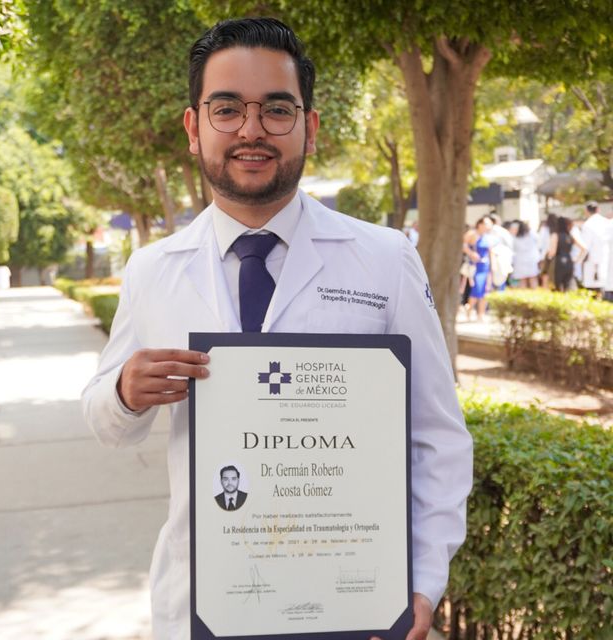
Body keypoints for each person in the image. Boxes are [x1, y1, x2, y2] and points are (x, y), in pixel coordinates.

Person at [82, 17, 472, 640]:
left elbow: (437, 438)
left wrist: (421, 582)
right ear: (194, 127)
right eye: (227, 108)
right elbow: (105, 421)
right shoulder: (154, 270)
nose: (252, 130)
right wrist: (126, 391)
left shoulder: (384, 258)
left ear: (310, 128)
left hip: (354, 607)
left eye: (278, 109)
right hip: (201, 607)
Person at [462, 215, 494, 321]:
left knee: (486, 290)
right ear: (480, 224)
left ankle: (481, 314)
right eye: (486, 223)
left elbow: (490, 252)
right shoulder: (472, 234)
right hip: (475, 266)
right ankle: (469, 311)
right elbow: (464, 246)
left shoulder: (488, 236)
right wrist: (471, 253)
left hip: (486, 266)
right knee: (477, 289)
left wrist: (493, 266)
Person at [547, 216, 587, 292]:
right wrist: (577, 260)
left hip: (558, 262)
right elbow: (584, 248)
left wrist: (548, 259)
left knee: (557, 286)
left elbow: (552, 252)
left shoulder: (555, 235)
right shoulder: (570, 236)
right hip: (569, 261)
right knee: (567, 286)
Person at [580, 201, 610, 293]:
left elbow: (585, 245)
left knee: (592, 286)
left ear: (586, 211)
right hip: (607, 256)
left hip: (592, 259)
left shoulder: (587, 225)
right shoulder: (607, 222)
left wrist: (579, 260)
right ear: (598, 209)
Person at [510, 220, 540, 288]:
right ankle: (534, 294)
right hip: (531, 259)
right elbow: (539, 242)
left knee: (522, 279)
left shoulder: (515, 237)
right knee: (533, 278)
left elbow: (513, 248)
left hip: (520, 260)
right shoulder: (532, 234)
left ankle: (523, 294)